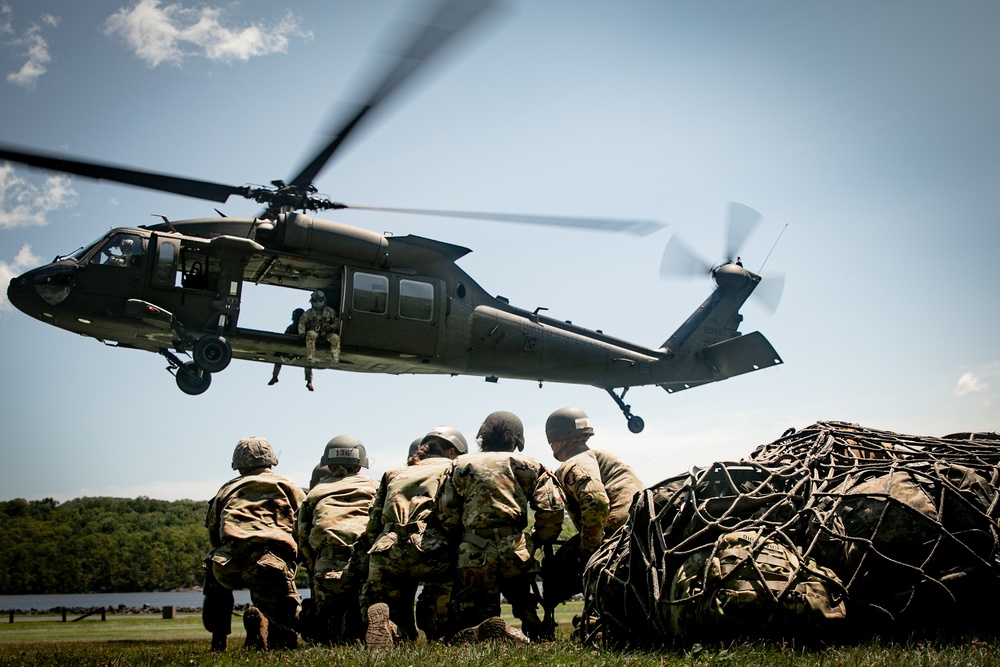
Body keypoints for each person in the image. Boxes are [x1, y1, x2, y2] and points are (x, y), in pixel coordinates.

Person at [437, 411, 565, 642]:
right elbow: (553, 509)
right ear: (516, 439)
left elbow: (446, 511)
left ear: (482, 437)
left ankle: (487, 632)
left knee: (471, 611)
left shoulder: (460, 465)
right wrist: (536, 539)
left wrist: (462, 539)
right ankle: (531, 624)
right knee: (519, 591)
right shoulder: (529, 465)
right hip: (515, 548)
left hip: (474, 550)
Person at [364, 426, 468, 646]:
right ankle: (441, 633)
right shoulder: (453, 468)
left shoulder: (393, 472)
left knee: (393, 609)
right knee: (443, 591)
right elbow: (451, 517)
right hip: (430, 547)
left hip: (386, 550)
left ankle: (393, 630)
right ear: (452, 452)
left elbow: (373, 523)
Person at [202, 437, 306, 652]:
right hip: (269, 563)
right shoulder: (287, 486)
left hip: (228, 563)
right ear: (271, 460)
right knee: (285, 635)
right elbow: (304, 525)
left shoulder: (226, 489)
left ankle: (218, 639)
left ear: (238, 465)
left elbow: (214, 532)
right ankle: (268, 626)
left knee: (214, 581)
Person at [542, 407, 644, 609]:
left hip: (617, 534)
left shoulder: (571, 465)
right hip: (642, 528)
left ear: (560, 439)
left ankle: (593, 616)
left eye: (551, 441)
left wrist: (589, 549)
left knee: (556, 570)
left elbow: (596, 501)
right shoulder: (604, 456)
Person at [296, 436, 378, 644]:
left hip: (329, 566)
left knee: (325, 632)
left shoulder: (315, 494)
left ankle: (333, 631)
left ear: (329, 466)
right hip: (366, 564)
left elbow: (303, 539)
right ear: (360, 466)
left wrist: (314, 567)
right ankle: (381, 628)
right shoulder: (375, 487)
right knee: (366, 611)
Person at [269, 308, 314, 390]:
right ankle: (275, 376)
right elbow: (284, 340)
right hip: (290, 351)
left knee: (308, 360)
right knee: (278, 357)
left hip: (299, 352)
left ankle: (309, 381)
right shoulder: (291, 328)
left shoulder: (305, 328)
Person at [299, 289, 341, 367]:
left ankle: (335, 360)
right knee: (310, 334)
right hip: (315, 331)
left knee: (335, 338)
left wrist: (331, 327)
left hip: (327, 333)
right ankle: (310, 358)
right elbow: (302, 323)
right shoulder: (309, 313)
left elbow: (337, 322)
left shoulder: (330, 311)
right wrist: (301, 333)